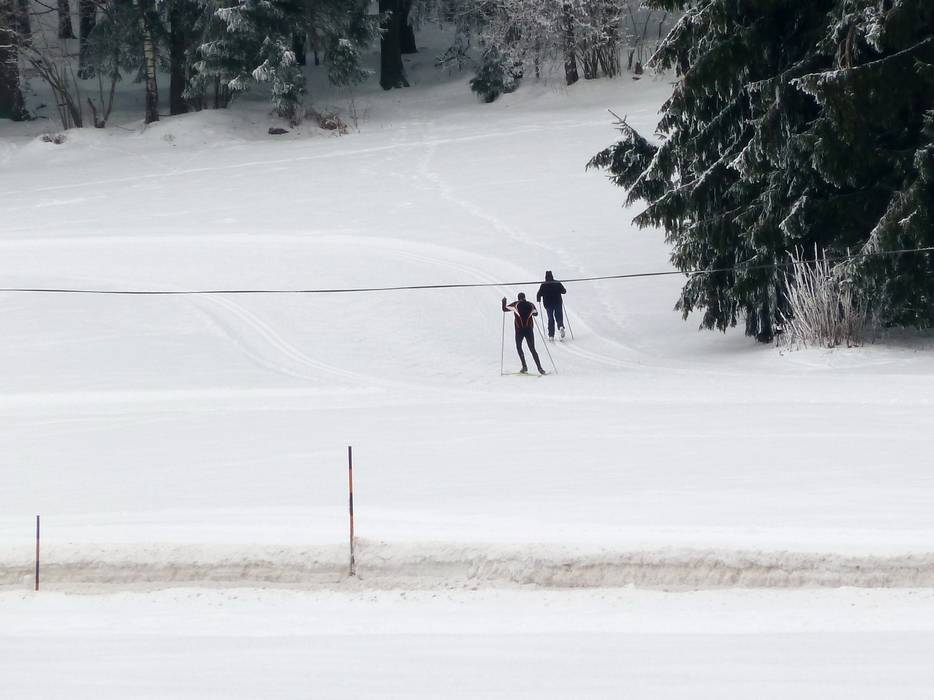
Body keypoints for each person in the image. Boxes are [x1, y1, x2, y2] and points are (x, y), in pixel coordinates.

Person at [502, 293, 546, 375]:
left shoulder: (516, 304)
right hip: (529, 330)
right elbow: (536, 314)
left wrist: (504, 302)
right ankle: (540, 368)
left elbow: (504, 309)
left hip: (519, 330)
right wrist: (530, 313)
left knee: (519, 347)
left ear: (518, 298)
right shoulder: (531, 304)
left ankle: (524, 366)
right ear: (525, 297)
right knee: (532, 349)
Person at [536, 271, 567, 340]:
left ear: (545, 276)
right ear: (552, 276)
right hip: (558, 302)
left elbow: (539, 294)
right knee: (559, 316)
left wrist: (538, 299)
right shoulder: (557, 283)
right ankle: (561, 326)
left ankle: (551, 335)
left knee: (550, 318)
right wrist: (560, 290)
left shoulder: (543, 285)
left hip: (548, 304)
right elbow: (564, 291)